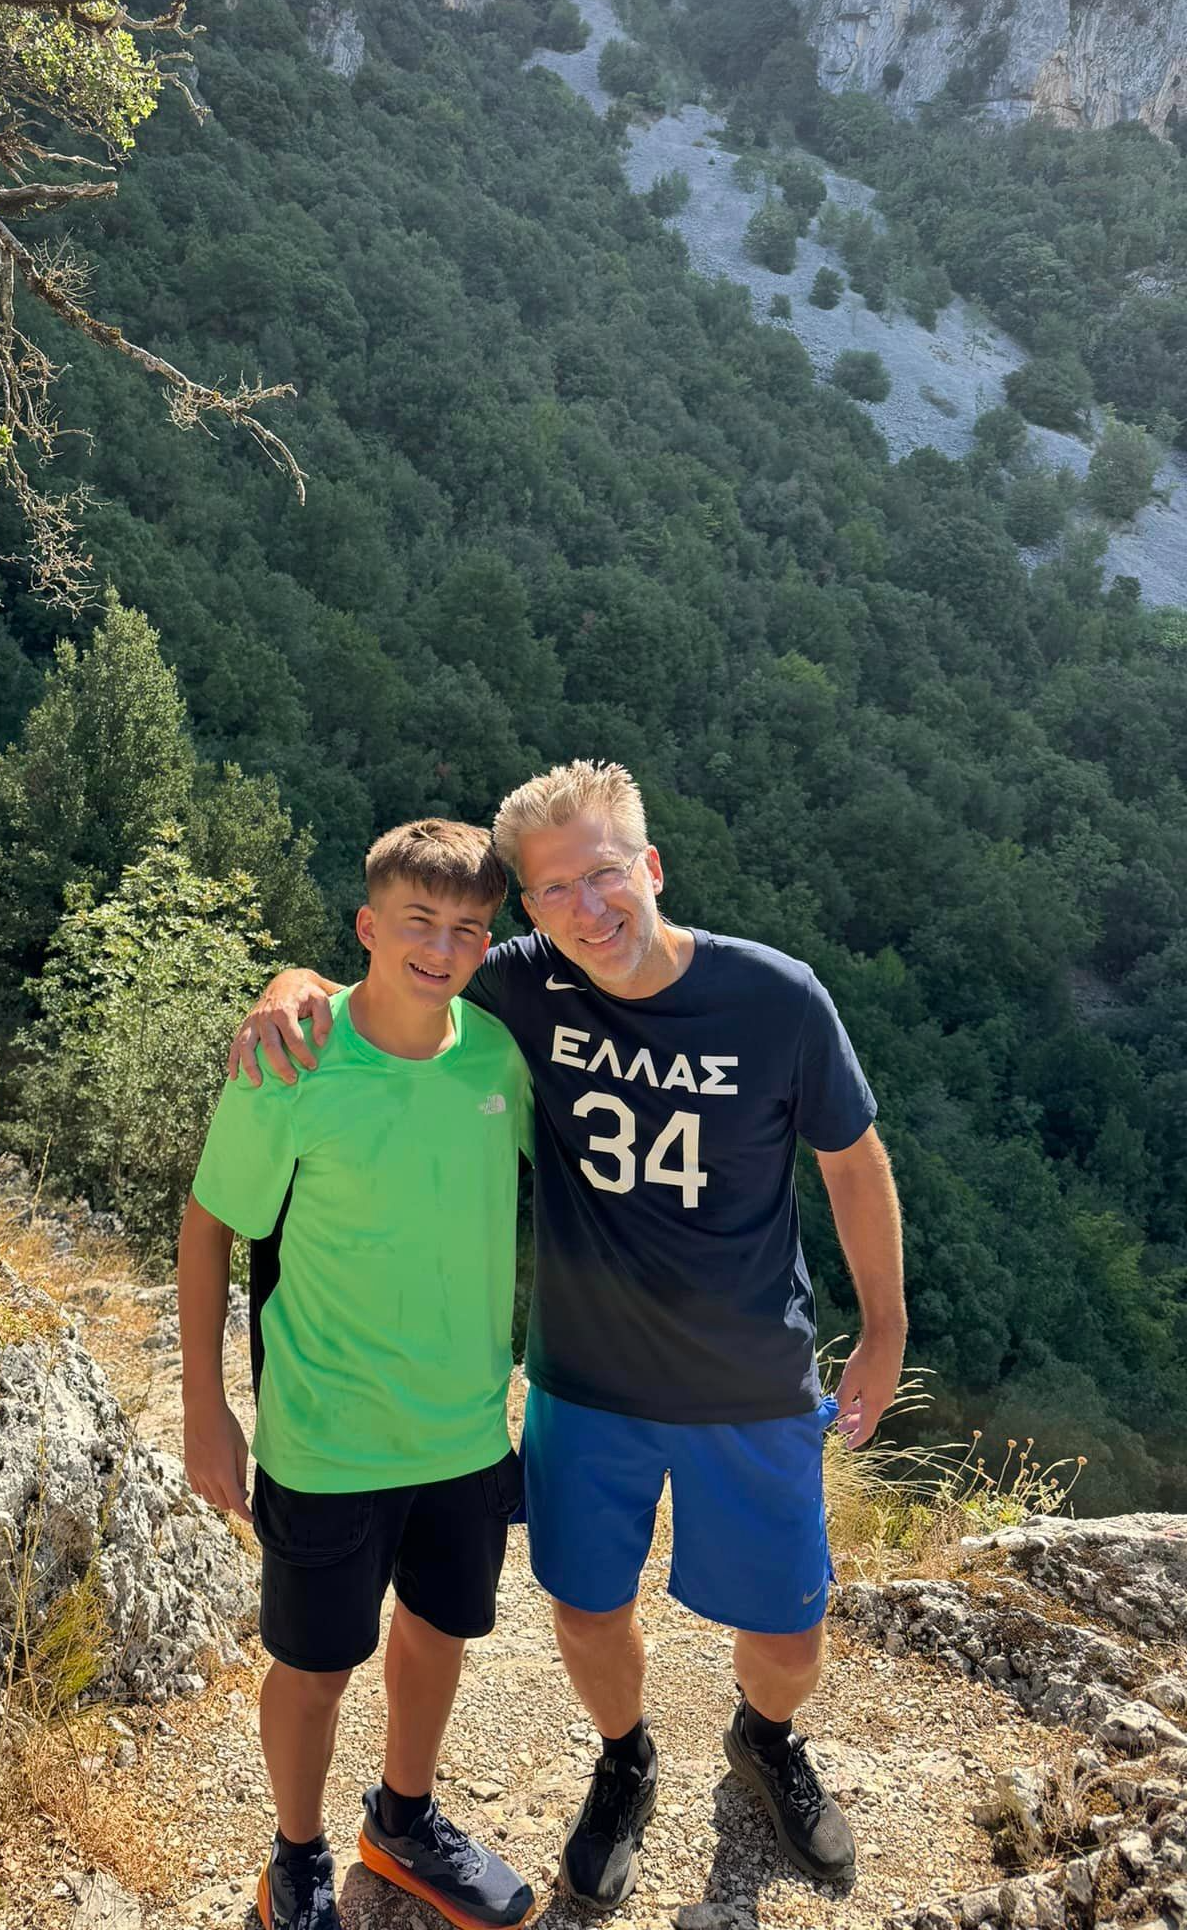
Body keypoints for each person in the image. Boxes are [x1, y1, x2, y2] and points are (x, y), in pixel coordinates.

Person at [229, 760, 906, 1911]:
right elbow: (394, 977)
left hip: (749, 1375)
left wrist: (885, 1326)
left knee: (788, 1631)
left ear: (652, 866)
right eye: (552, 890)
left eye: (604, 874)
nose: (586, 908)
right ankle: (625, 1755)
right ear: (531, 910)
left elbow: (851, 1157)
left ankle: (765, 1737)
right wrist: (287, 982)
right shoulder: (521, 984)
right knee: (589, 1609)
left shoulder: (777, 997)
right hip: (585, 1381)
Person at [180, 818, 537, 1930]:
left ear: (490, 941)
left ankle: (404, 1820)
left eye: (468, 929)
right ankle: (296, 1856)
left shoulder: (498, 1057)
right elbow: (207, 1228)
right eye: (418, 921)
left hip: (467, 1431)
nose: (442, 947)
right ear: (367, 928)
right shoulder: (292, 1063)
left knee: (438, 1629)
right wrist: (205, 1408)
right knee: (315, 1664)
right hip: (327, 1435)